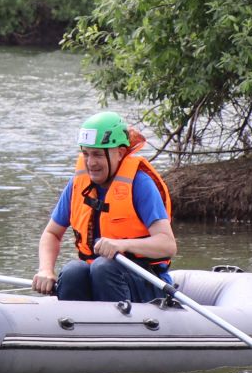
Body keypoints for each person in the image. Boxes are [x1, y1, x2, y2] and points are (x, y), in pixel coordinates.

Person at [33, 111, 177, 301]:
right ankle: (73, 327)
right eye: (86, 154)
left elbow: (167, 245)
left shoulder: (140, 185)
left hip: (146, 280)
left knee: (104, 267)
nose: (91, 163)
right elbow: (51, 234)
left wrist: (121, 245)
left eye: (98, 155)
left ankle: (119, 327)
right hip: (101, 277)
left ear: (120, 153)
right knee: (73, 271)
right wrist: (45, 269)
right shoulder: (79, 184)